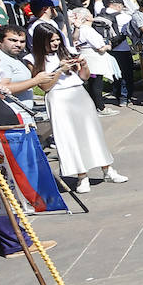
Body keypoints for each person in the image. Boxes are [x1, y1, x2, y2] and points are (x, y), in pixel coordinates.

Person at [29, 27, 127, 193]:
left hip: (79, 94)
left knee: (92, 132)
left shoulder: (66, 51)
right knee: (69, 137)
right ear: (41, 41)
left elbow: (83, 77)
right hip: (58, 98)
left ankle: (107, 169)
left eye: (57, 39)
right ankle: (82, 176)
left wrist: (83, 65)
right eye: (51, 41)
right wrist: (59, 70)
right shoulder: (33, 58)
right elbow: (44, 86)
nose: (55, 43)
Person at [67, 7, 118, 116]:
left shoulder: (82, 30)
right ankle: (100, 107)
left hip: (88, 58)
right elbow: (99, 46)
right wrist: (107, 46)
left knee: (92, 84)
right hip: (93, 59)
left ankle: (93, 106)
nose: (92, 15)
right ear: (86, 17)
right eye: (90, 14)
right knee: (96, 84)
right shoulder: (87, 30)